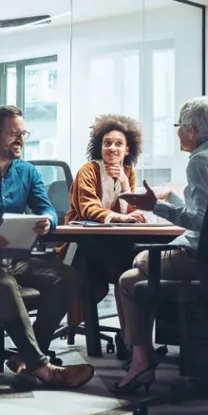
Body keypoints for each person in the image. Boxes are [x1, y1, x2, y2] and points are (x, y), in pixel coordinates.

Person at [0, 105, 96, 390]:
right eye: (13, 134)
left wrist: (47, 222)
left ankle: (25, 360)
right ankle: (44, 368)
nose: (20, 139)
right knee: (4, 283)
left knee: (68, 277)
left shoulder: (28, 173)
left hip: (15, 259)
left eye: (23, 133)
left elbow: (47, 209)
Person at [113, 96, 208, 394]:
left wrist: (157, 207)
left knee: (139, 262)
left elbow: (202, 221)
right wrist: (169, 200)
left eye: (179, 126)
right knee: (130, 281)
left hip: (198, 255)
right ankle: (141, 357)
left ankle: (140, 360)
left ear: (191, 130)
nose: (177, 131)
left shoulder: (199, 162)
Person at [63, 115, 146, 339]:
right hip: (82, 243)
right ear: (100, 146)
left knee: (131, 265)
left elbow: (130, 212)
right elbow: (88, 208)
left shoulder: (128, 172)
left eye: (118, 144)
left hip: (111, 241)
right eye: (107, 143)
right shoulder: (89, 170)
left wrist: (126, 186)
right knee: (123, 264)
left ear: (128, 149)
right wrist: (121, 218)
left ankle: (129, 336)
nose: (112, 148)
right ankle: (130, 339)